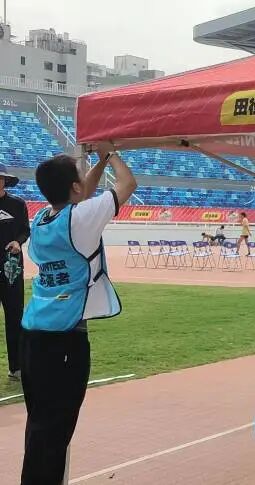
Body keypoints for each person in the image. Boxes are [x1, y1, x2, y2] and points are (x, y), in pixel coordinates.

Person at [19, 146, 137, 484]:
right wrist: (111, 154)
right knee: (55, 432)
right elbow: (128, 184)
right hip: (64, 339)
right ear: (73, 187)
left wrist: (98, 162)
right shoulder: (80, 220)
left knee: (40, 426)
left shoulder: (43, 218)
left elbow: (81, 194)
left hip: (34, 334)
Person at [0, 163, 29, 381]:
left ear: (5, 181)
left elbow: (25, 230)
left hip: (11, 269)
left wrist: (18, 242)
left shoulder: (17, 204)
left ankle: (16, 367)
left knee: (14, 317)